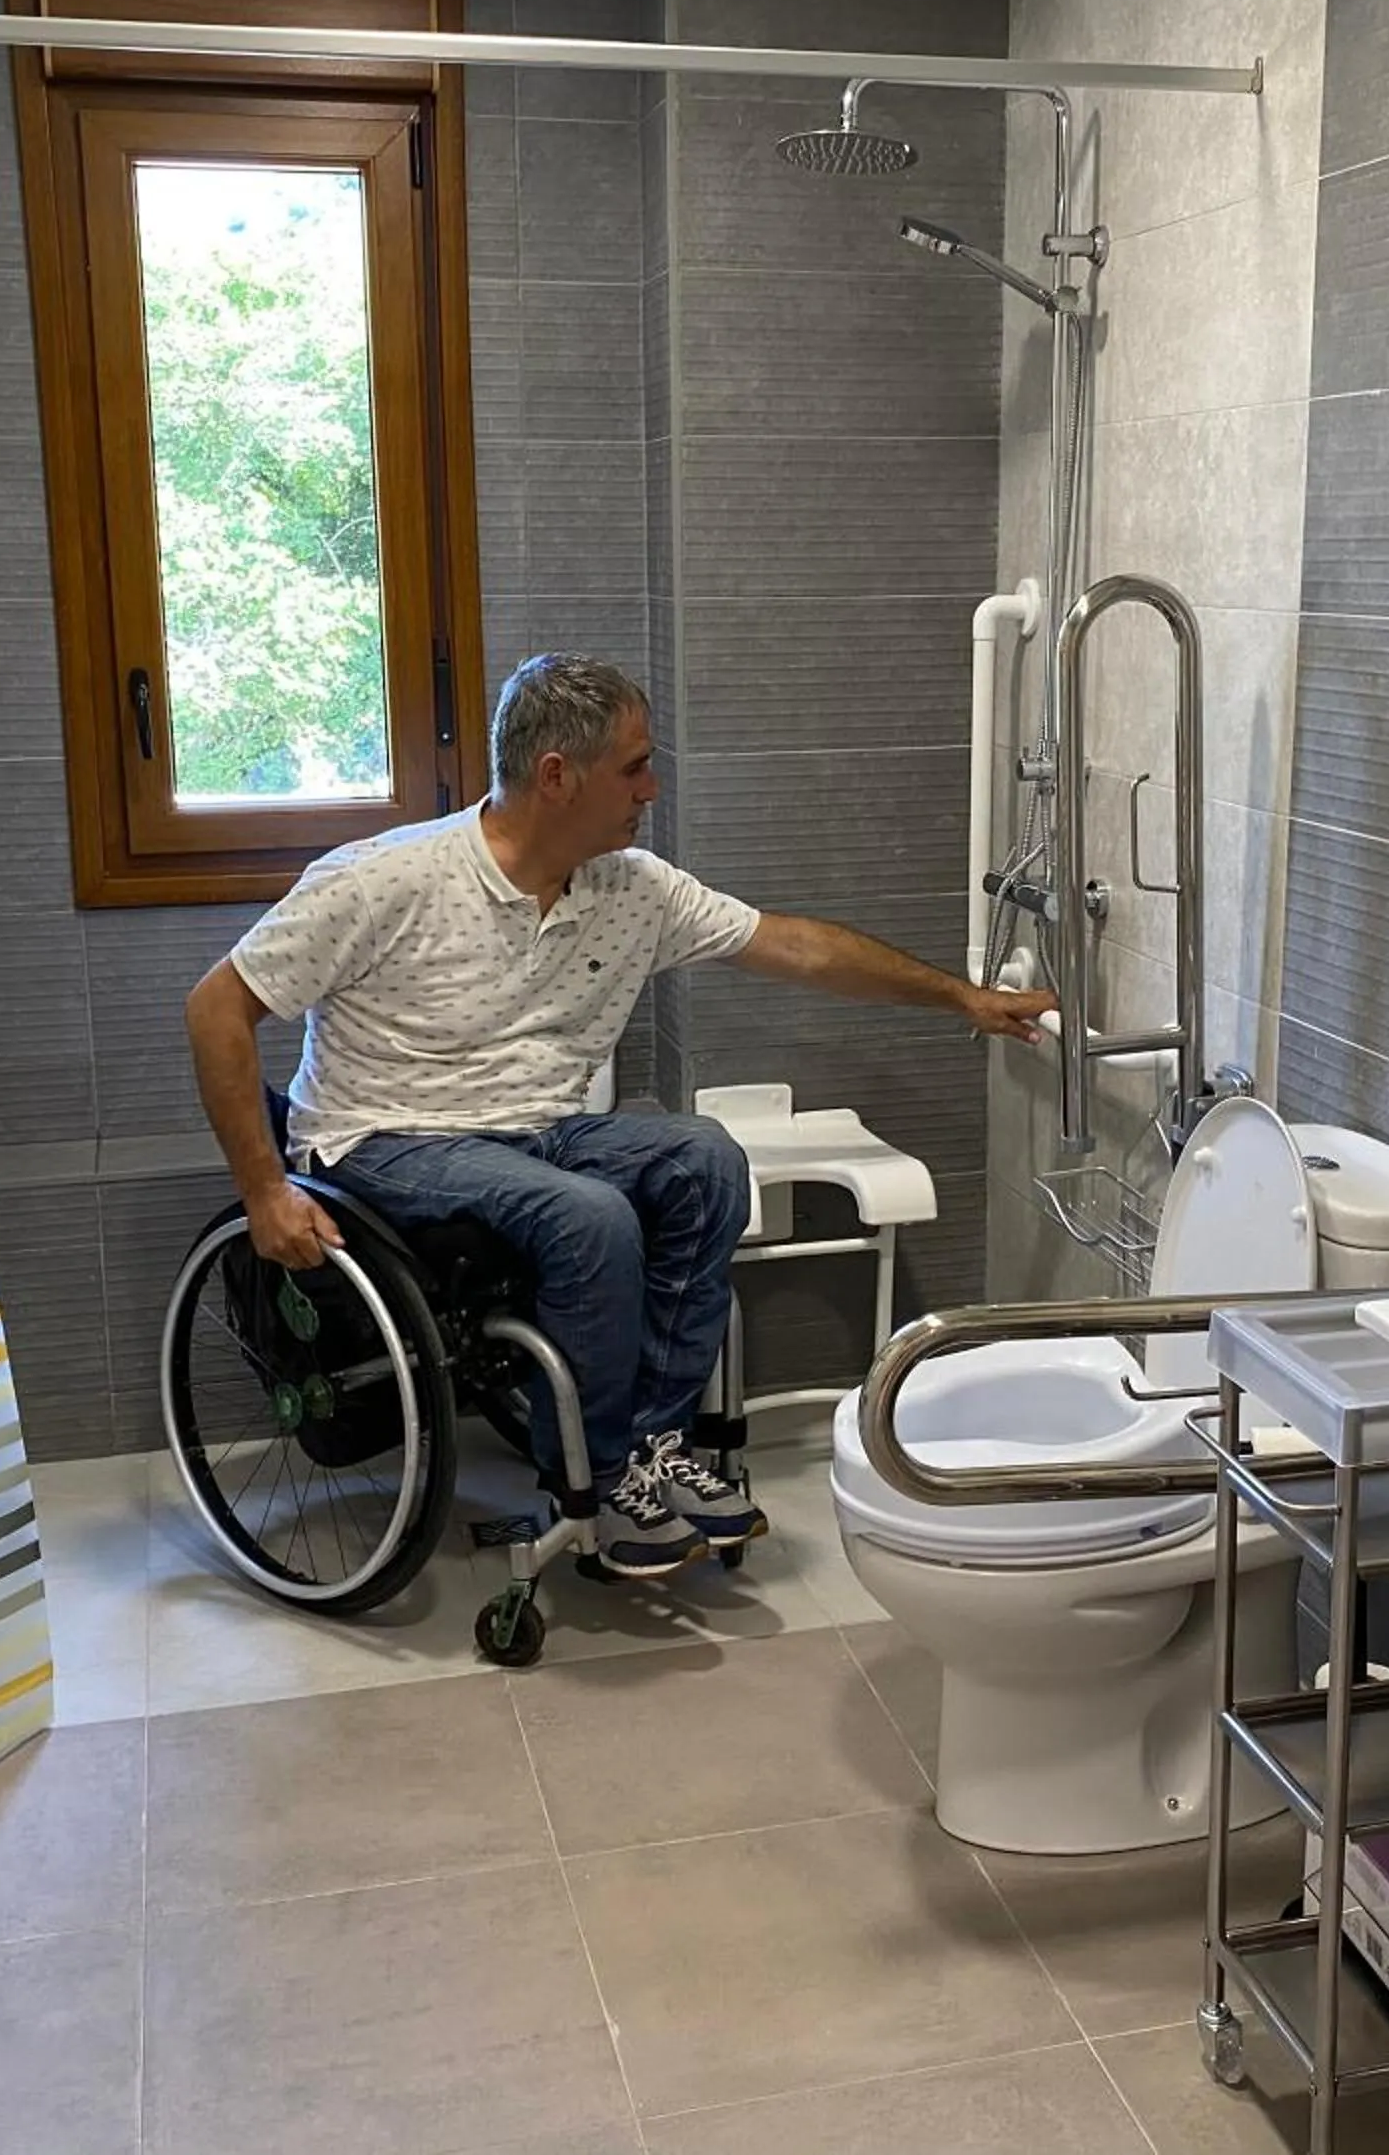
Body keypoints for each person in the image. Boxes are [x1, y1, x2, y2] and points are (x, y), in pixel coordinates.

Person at [186, 651, 1055, 1579]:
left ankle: (648, 1448)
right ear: (557, 776)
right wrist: (265, 1191)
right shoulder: (383, 881)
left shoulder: (630, 888)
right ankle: (597, 1477)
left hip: (537, 1130)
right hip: (386, 1139)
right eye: (635, 767)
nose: (652, 788)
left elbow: (796, 947)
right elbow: (216, 1008)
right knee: (588, 1214)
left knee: (705, 1159)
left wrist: (962, 998)